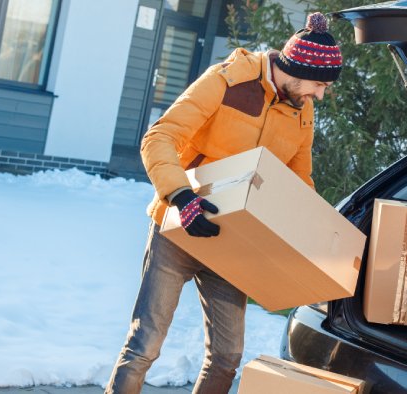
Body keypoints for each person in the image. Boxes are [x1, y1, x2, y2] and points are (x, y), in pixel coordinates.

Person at [105, 12, 342, 394]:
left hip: (234, 243)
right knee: (144, 346)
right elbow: (159, 137)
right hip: (179, 228)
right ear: (295, 69)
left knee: (227, 358)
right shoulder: (227, 81)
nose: (320, 94)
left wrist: (307, 237)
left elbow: (300, 183)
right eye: (318, 84)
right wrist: (182, 198)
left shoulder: (302, 110)